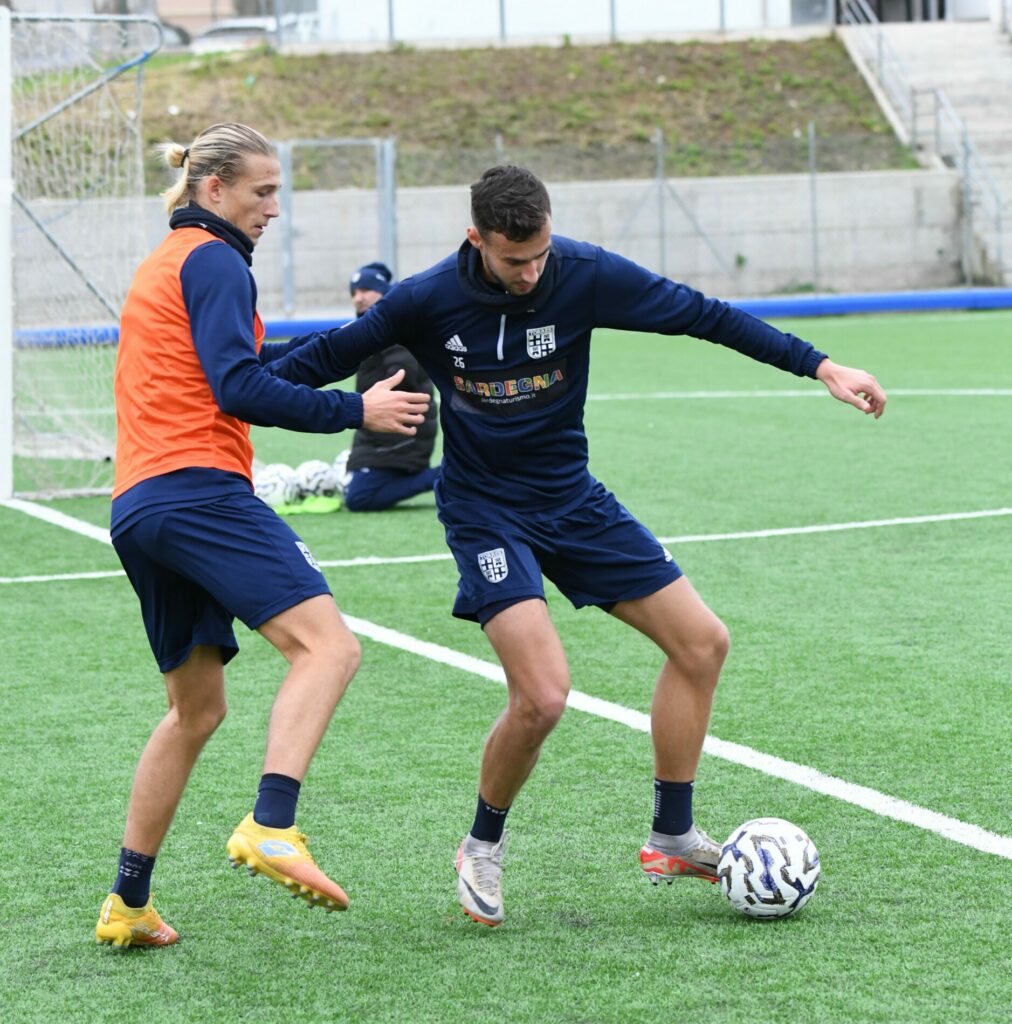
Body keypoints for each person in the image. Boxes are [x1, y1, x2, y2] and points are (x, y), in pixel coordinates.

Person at [264, 165, 886, 928]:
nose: (530, 274)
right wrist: (220, 387)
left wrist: (820, 364)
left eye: (539, 256)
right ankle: (482, 845)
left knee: (702, 643)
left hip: (573, 500)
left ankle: (673, 832)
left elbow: (704, 315)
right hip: (486, 512)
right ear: (476, 240)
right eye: (511, 259)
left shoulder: (583, 275)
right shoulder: (427, 299)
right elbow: (319, 358)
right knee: (544, 695)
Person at [94, 123, 429, 949]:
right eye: (262, 191)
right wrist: (359, 409)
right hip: (199, 490)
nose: (274, 207)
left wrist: (351, 347)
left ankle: (127, 903)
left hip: (141, 506)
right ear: (214, 190)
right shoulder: (215, 261)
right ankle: (272, 821)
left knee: (194, 712)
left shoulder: (168, 263)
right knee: (329, 648)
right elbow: (239, 387)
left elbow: (247, 365)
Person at [335, 261, 439, 511]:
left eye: (365, 290)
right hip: (381, 431)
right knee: (356, 490)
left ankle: (443, 476)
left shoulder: (393, 328)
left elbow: (404, 375)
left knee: (359, 498)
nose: (358, 298)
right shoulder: (375, 328)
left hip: (397, 432)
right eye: (354, 292)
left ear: (383, 292)